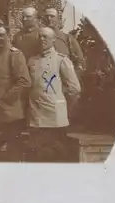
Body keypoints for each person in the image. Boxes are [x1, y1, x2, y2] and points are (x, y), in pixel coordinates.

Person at [26, 27, 81, 161]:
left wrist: (63, 106)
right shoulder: (32, 61)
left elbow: (75, 89)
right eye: (40, 36)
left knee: (56, 154)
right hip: (36, 116)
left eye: (45, 37)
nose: (42, 39)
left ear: (54, 40)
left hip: (55, 118)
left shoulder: (61, 60)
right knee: (38, 155)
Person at [0, 24, 31, 154]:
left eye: (1, 35)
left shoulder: (15, 55)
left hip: (11, 113)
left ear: (8, 36)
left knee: (12, 152)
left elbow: (24, 81)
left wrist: (7, 99)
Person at [41, 7, 86, 78]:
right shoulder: (39, 40)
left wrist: (72, 78)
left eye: (52, 16)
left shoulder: (68, 39)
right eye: (46, 16)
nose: (49, 19)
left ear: (58, 19)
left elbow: (80, 62)